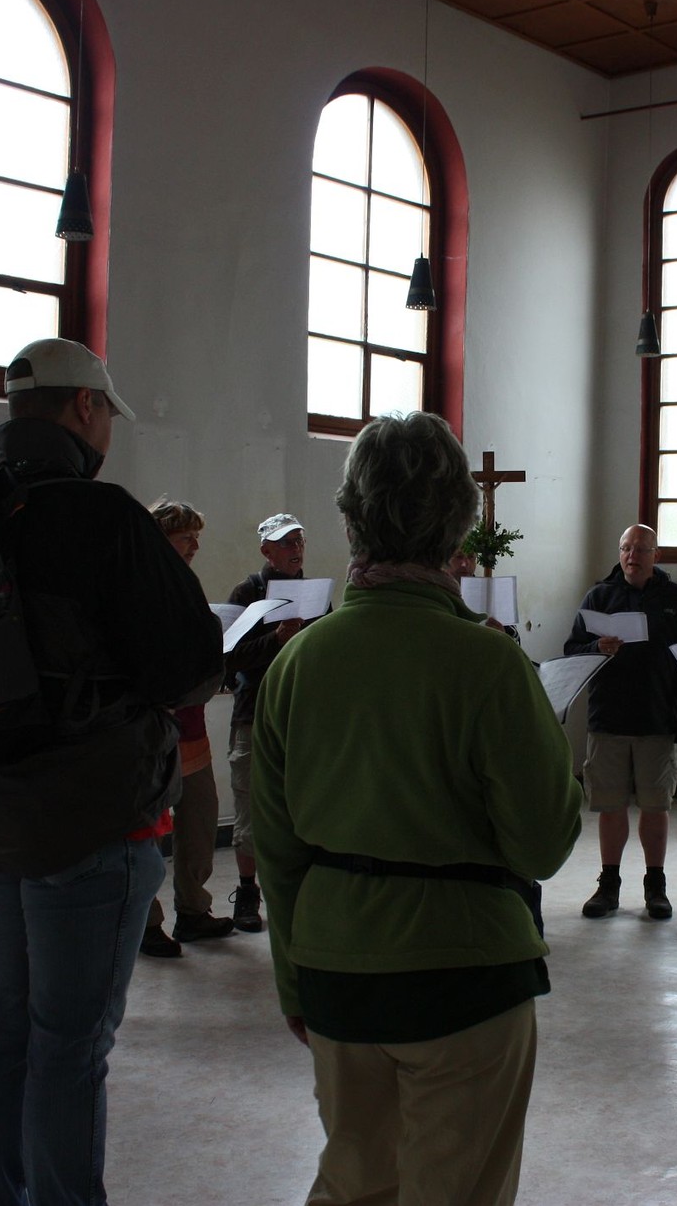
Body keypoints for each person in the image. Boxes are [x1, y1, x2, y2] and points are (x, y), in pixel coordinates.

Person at [252, 411, 583, 1206]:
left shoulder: (298, 660)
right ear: (459, 521)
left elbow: (275, 849)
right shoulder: (488, 662)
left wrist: (295, 984)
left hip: (335, 972)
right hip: (464, 976)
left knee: (353, 1183)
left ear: (349, 517)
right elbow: (541, 844)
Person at [0, 339, 225, 1206]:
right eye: (104, 411)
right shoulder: (102, 516)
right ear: (82, 409)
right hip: (90, 819)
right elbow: (187, 666)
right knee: (69, 1044)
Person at [564, 523, 677, 920]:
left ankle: (655, 886)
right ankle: (608, 885)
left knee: (656, 806)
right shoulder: (599, 597)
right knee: (609, 806)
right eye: (625, 548)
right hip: (607, 719)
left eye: (641, 549)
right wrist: (596, 646)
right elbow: (573, 650)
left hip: (657, 719)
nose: (631, 556)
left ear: (656, 556)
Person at [139, 499, 235, 958]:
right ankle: (146, 921)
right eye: (186, 537)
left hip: (191, 725)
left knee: (199, 818)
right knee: (149, 827)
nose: (195, 545)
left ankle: (193, 911)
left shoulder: (184, 582)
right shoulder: (142, 584)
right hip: (155, 725)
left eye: (197, 536)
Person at [223, 511, 316, 933]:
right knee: (250, 806)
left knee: (300, 804)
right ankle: (247, 892)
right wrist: (275, 640)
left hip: (300, 715)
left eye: (299, 541)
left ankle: (299, 889)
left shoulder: (315, 592)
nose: (295, 550)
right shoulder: (247, 592)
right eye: (286, 543)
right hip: (254, 712)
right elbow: (229, 657)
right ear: (266, 550)